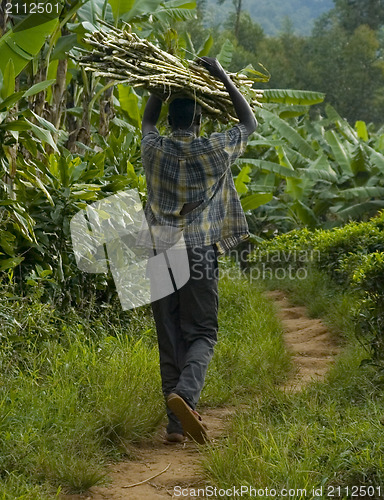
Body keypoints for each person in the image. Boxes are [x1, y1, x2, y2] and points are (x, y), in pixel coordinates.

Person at [141, 57, 257, 444]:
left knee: (169, 333)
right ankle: (186, 398)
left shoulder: (153, 150)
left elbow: (147, 122)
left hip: (160, 251)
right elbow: (248, 123)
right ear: (199, 122)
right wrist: (222, 76)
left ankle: (175, 426)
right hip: (199, 252)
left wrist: (160, 83)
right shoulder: (214, 150)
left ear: (172, 121)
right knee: (202, 332)